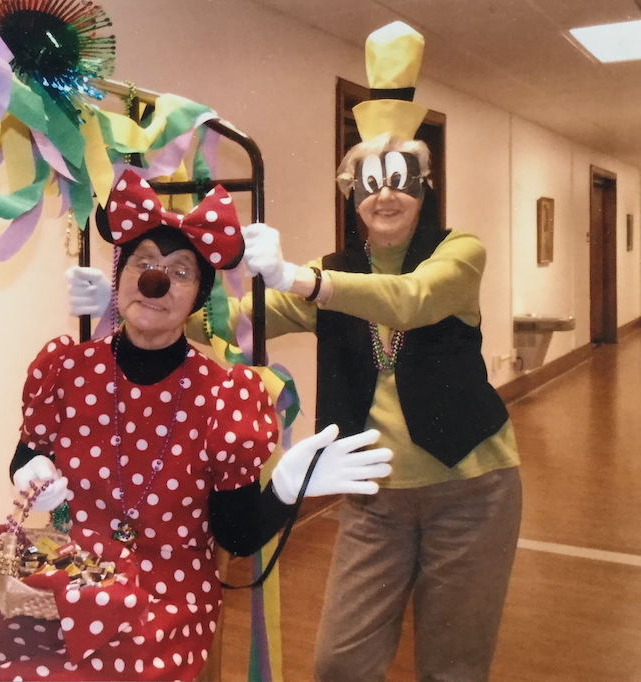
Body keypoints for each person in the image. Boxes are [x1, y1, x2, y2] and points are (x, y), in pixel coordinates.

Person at [68, 21, 521, 682]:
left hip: (472, 491)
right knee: (340, 662)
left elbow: (412, 298)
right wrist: (127, 301)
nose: (386, 193)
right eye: (370, 180)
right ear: (352, 192)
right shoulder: (328, 268)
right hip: (375, 500)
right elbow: (234, 326)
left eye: (401, 179)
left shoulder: (459, 253)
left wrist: (302, 281)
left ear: (422, 187)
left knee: (452, 667)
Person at [0, 169, 392, 682]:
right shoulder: (67, 369)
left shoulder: (222, 397)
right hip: (69, 578)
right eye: (144, 263)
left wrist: (288, 487)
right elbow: (26, 455)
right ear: (121, 276)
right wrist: (29, 474)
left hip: (163, 600)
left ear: (198, 297)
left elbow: (236, 537)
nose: (155, 280)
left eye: (178, 271)